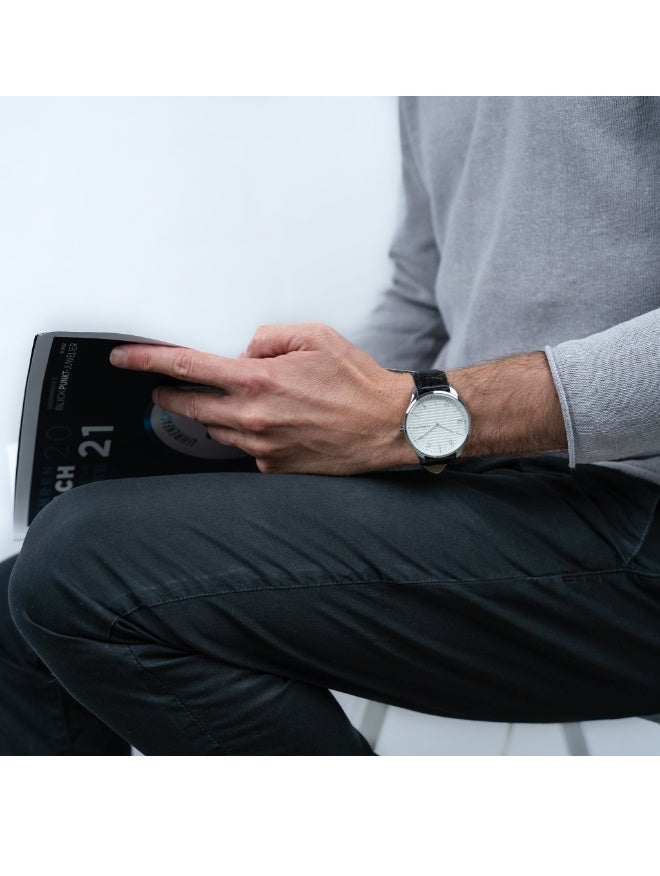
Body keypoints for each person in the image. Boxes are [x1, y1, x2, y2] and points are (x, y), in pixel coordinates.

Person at [2, 96, 659, 755]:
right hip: (502, 483)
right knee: (16, 607)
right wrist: (286, 409)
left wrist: (411, 414)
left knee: (84, 567)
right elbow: (423, 291)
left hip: (636, 503)